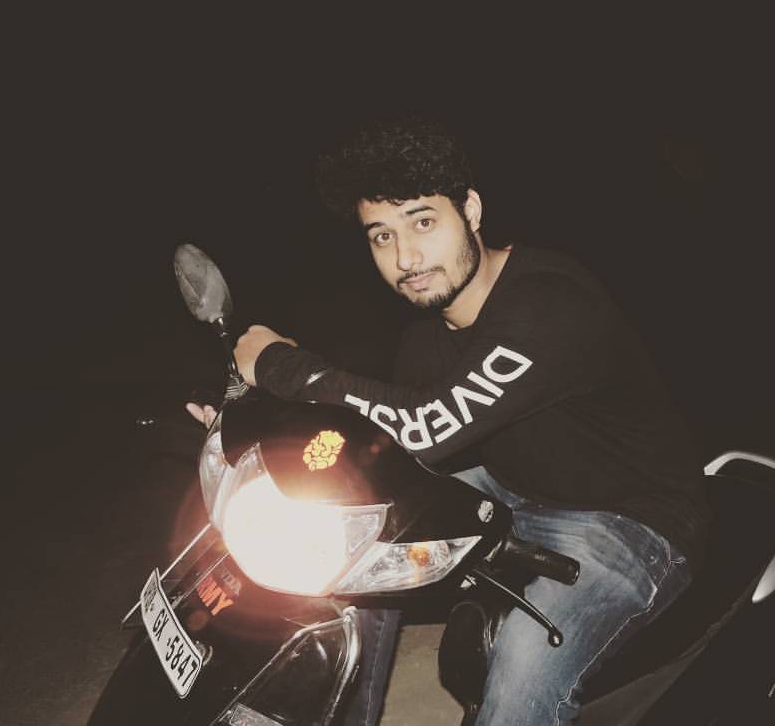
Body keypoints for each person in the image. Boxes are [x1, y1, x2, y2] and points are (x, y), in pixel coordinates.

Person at [189, 116, 710, 725]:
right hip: (514, 487)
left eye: (423, 223)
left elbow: (424, 427)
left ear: (472, 211)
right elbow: (385, 438)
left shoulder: (550, 304)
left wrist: (284, 367)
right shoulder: (424, 341)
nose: (405, 258)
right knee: (353, 548)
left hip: (633, 522)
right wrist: (266, 422)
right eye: (382, 236)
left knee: (524, 664)